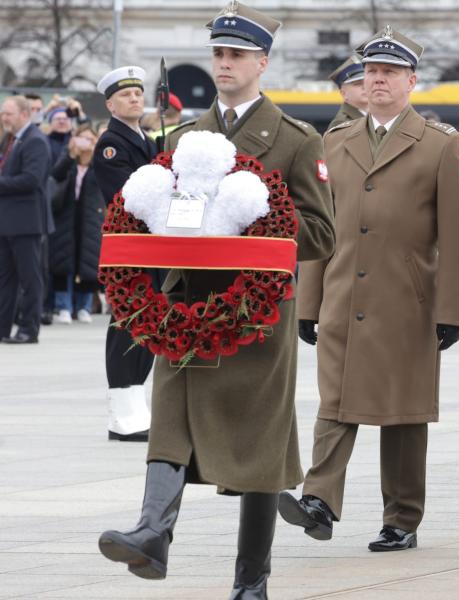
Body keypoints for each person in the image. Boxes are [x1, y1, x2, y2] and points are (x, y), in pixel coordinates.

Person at [97, 4, 335, 597]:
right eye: (218, 54)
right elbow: (148, 212)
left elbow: (321, 232)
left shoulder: (295, 140)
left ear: (262, 62)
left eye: (235, 56)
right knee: (171, 419)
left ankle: (251, 581)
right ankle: (153, 531)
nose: (224, 65)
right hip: (182, 308)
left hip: (254, 316)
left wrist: (250, 225)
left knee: (258, 449)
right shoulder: (182, 137)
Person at [280, 25, 459, 553]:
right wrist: (309, 300)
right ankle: (319, 499)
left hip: (407, 300)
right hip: (344, 293)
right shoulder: (336, 142)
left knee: (403, 412)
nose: (378, 80)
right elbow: (322, 227)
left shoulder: (440, 145)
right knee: (335, 401)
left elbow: (458, 238)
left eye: (389, 72)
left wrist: (451, 310)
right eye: (371, 72)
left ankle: (402, 517)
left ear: (412, 80)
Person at [92, 65, 158, 442]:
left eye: (138, 93)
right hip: (128, 246)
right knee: (127, 324)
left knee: (146, 324)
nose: (136, 98)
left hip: (148, 246)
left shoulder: (146, 139)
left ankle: (135, 406)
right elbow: (127, 197)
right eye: (126, 95)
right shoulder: (110, 144)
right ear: (111, 104)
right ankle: (122, 413)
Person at [0, 95, 51, 344]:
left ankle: (28, 329)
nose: (3, 117)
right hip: (8, 222)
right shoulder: (13, 140)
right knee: (5, 279)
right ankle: (2, 328)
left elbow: (31, 179)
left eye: (7, 113)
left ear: (24, 114)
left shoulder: (35, 141)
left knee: (30, 278)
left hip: (26, 223)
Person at [49, 125, 102, 325]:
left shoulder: (98, 163)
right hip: (66, 216)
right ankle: (63, 306)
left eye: (90, 139)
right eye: (82, 138)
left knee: (87, 262)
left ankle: (84, 306)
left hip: (90, 219)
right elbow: (56, 174)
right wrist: (71, 153)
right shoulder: (69, 161)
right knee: (64, 261)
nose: (86, 143)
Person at [326, 54, 367, 132]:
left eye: (367, 82)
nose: (365, 87)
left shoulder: (375, 117)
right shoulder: (342, 124)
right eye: (357, 84)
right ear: (343, 94)